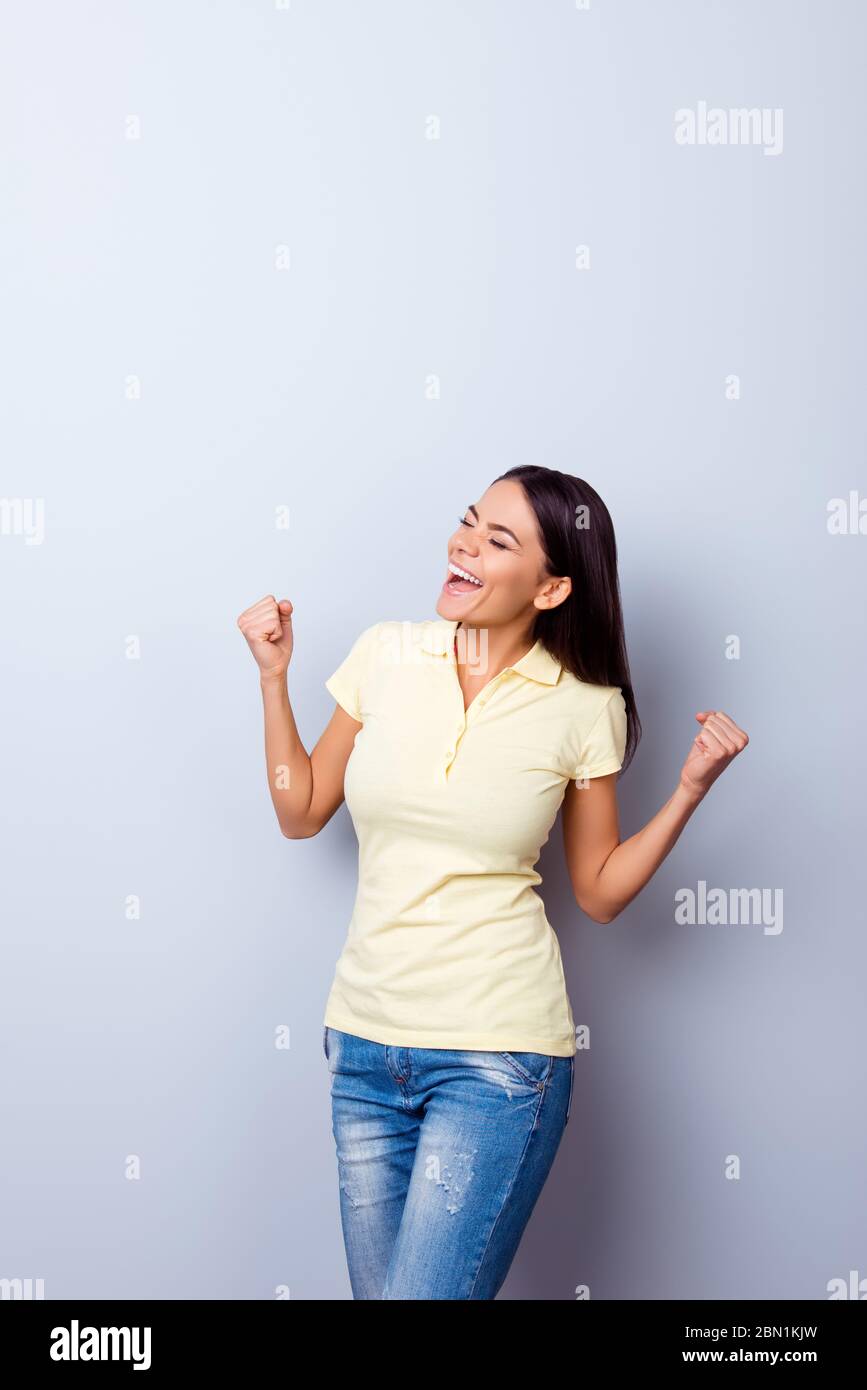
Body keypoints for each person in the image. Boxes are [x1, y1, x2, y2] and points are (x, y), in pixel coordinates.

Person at [237, 465, 749, 1299]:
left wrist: (687, 789)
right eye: (468, 523)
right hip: (362, 1047)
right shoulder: (386, 654)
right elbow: (300, 813)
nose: (464, 545)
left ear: (550, 590)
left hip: (496, 1060)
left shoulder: (585, 705)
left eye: (496, 539)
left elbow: (598, 890)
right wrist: (271, 677)